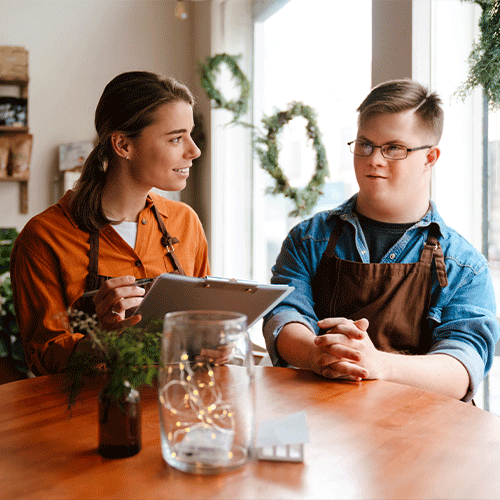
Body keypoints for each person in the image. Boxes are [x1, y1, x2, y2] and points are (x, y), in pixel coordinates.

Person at [263, 79, 499, 402]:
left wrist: (378, 365)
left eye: (393, 148)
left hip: (426, 442)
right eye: (364, 144)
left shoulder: (465, 266)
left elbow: (461, 369)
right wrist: (315, 355)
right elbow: (283, 317)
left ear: (430, 158)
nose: (374, 159)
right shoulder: (308, 239)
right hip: (326, 435)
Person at [10, 71, 210, 376]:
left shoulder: (186, 223)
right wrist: (102, 340)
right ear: (123, 145)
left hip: (177, 402)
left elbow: (201, 327)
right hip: (90, 414)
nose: (194, 151)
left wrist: (219, 331)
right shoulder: (43, 238)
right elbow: (43, 357)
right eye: (176, 138)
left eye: (191, 135)